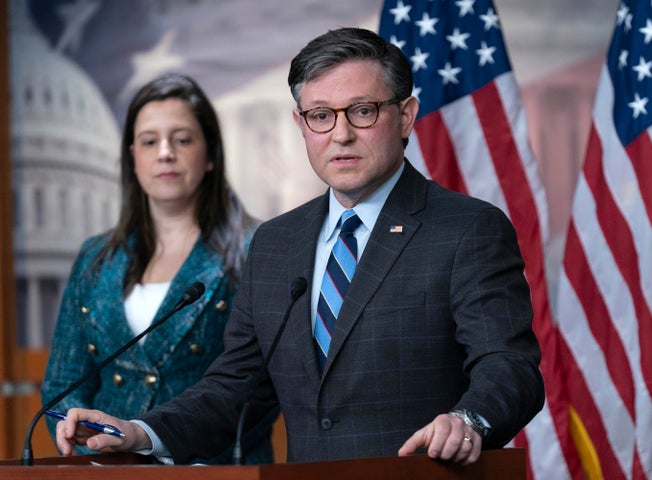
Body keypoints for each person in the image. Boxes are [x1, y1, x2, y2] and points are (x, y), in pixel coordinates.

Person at [55, 28, 544, 466]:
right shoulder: (275, 243)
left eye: (363, 110)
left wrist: (468, 420)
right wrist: (142, 432)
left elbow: (510, 367)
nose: (342, 134)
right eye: (320, 116)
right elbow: (234, 389)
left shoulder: (467, 228)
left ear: (406, 116)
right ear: (301, 125)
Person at [42, 73, 278, 464]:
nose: (165, 153)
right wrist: (92, 449)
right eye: (150, 141)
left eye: (182, 139)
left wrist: (157, 446)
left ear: (211, 154)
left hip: (211, 470)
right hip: (106, 470)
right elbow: (63, 380)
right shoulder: (96, 256)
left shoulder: (257, 247)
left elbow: (259, 387)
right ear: (132, 156)